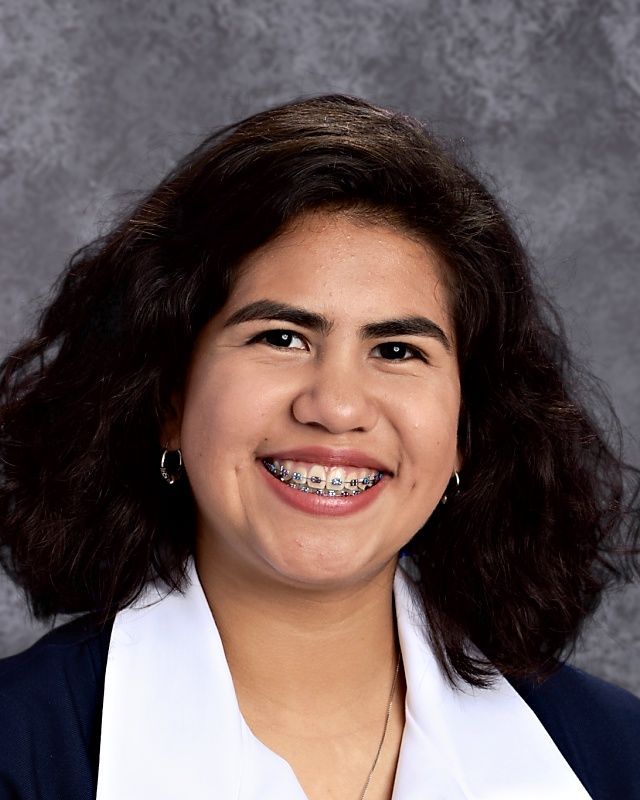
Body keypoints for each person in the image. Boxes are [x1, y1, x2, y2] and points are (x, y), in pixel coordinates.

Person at [0, 94, 638, 800]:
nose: (335, 407)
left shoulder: (613, 756)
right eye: (281, 338)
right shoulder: (20, 747)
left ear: (465, 433)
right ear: (168, 402)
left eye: (397, 349)